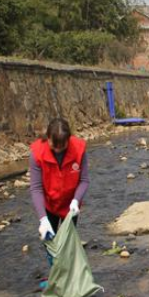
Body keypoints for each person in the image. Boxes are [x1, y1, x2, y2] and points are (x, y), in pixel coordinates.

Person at [30, 119, 90, 287]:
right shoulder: (37, 154)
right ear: (47, 138)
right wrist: (42, 219)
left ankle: (70, 279)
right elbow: (35, 188)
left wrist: (76, 200)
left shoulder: (78, 150)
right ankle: (57, 276)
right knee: (50, 242)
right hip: (48, 204)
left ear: (68, 140)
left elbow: (84, 180)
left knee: (67, 243)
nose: (57, 149)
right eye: (53, 146)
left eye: (61, 147)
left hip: (71, 206)